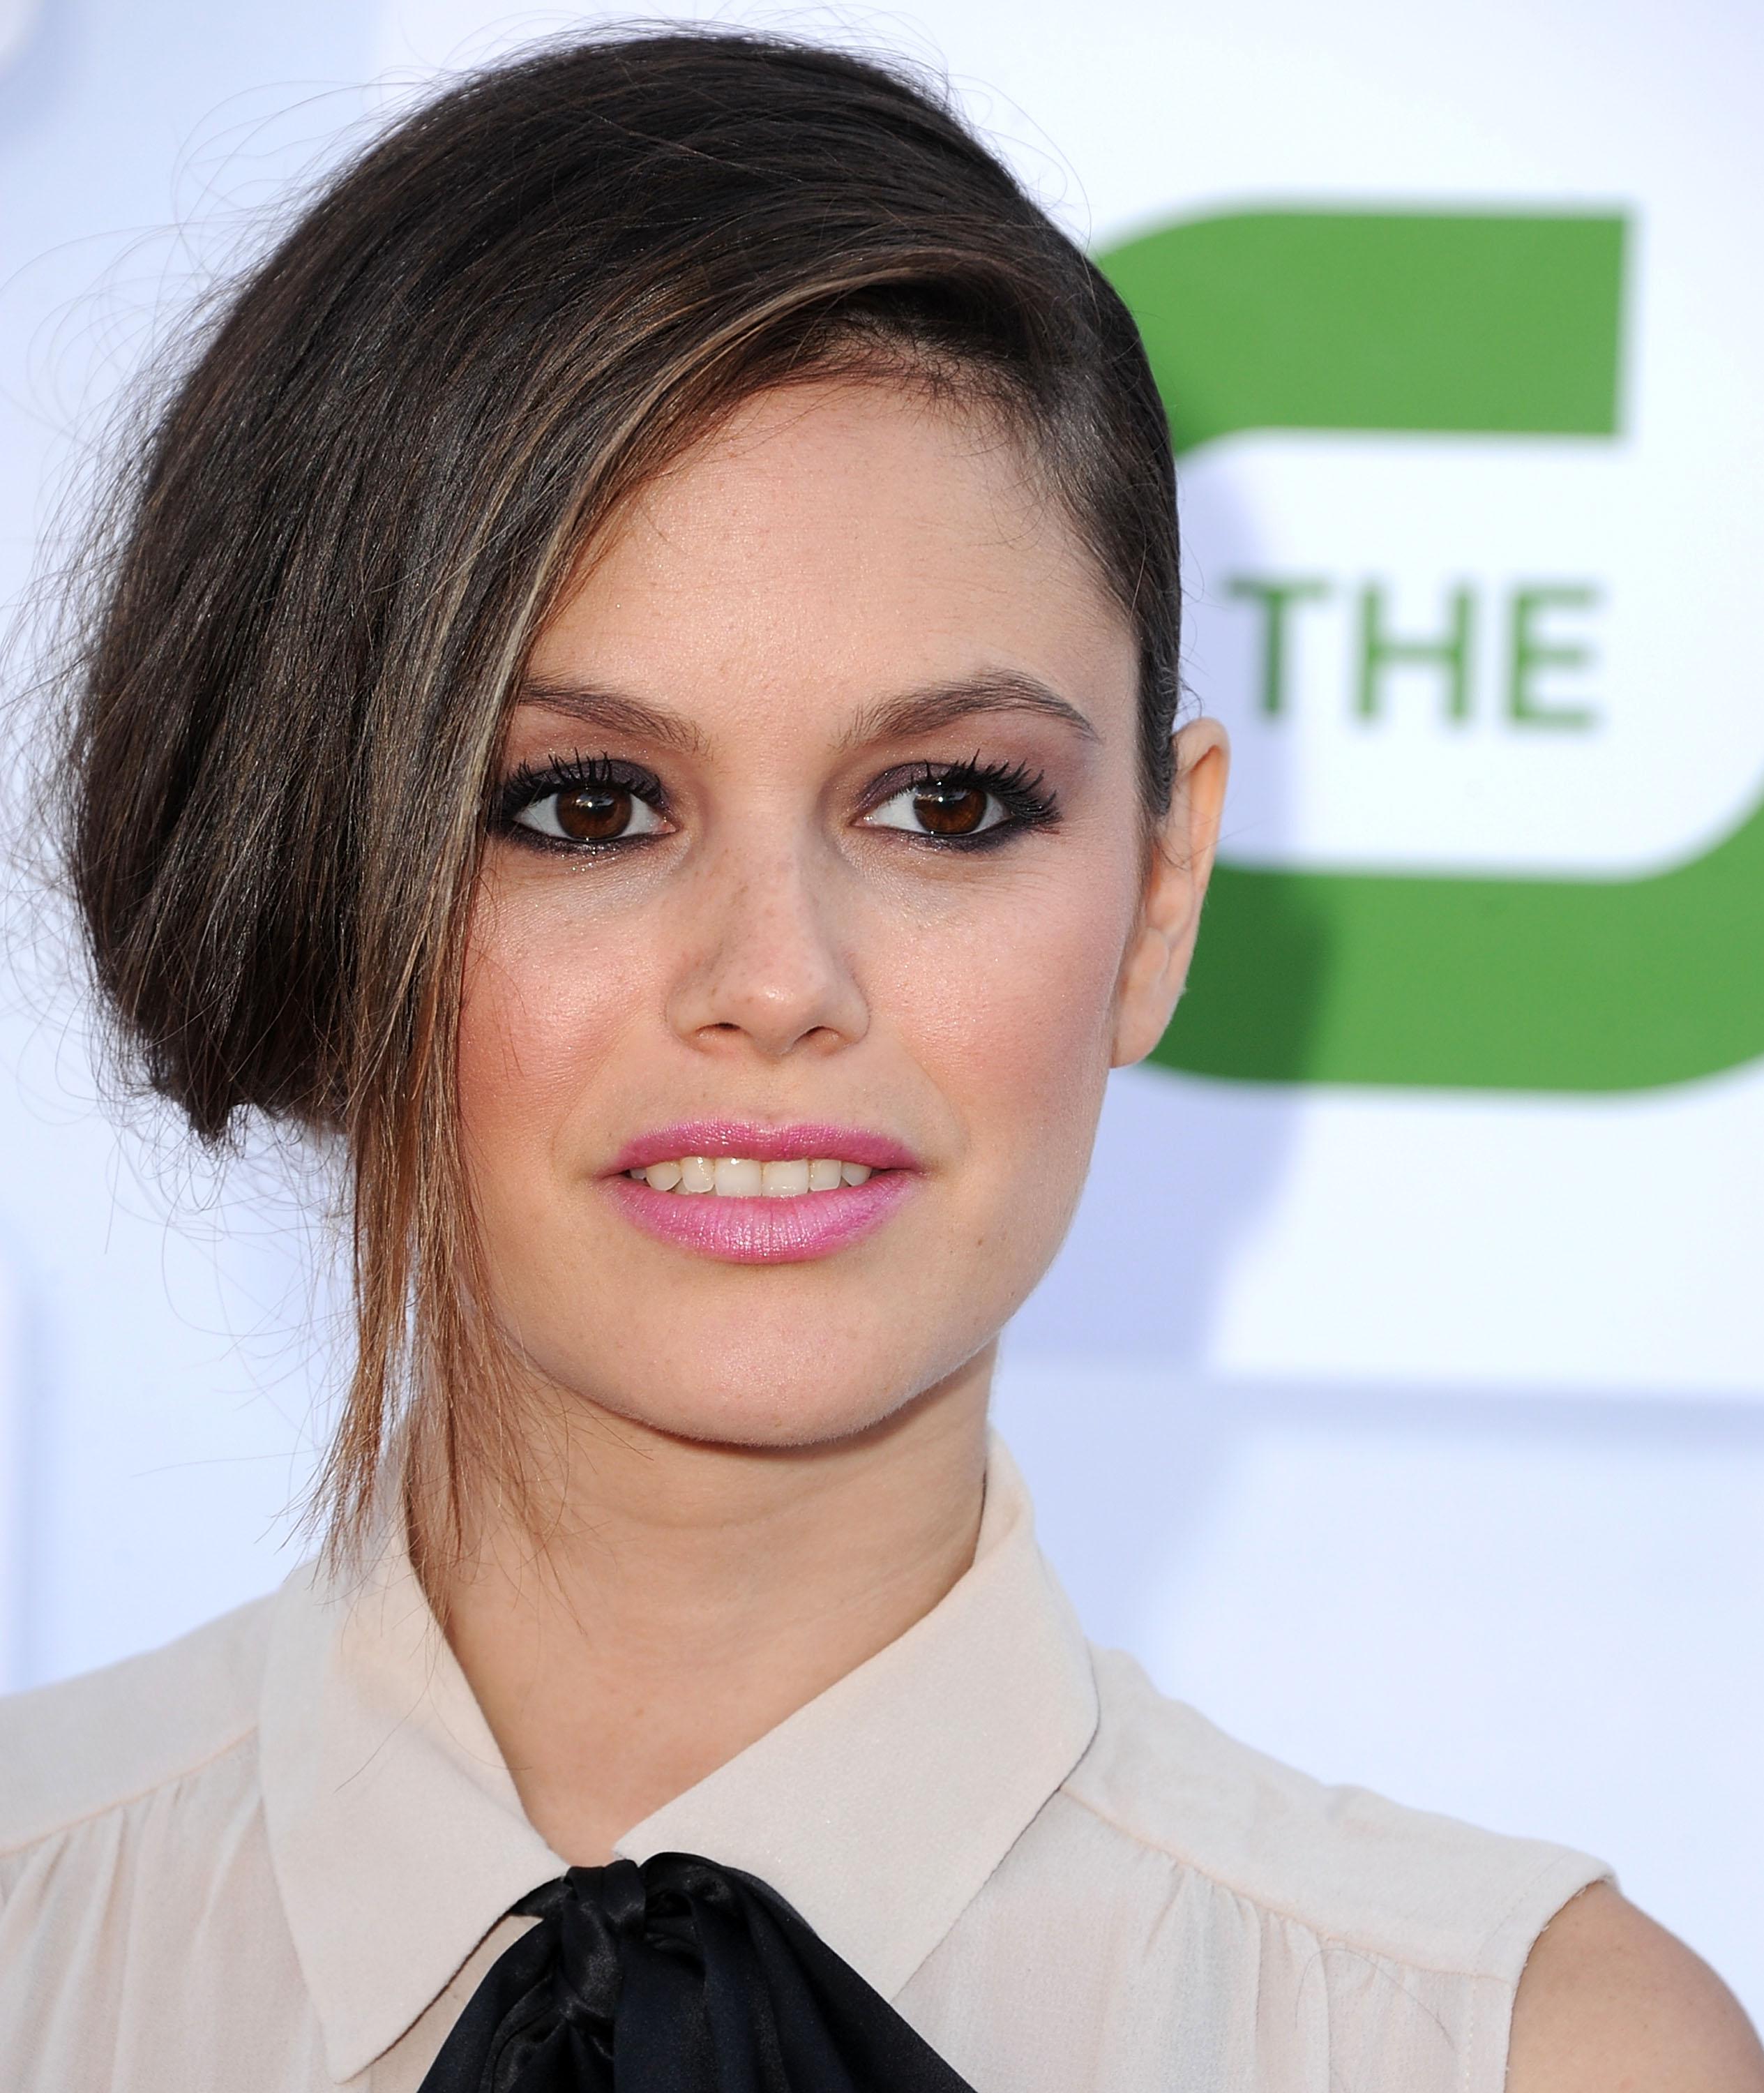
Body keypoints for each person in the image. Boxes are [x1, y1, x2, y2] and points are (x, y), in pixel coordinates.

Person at [1, 30, 1757, 2093]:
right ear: (321, 856)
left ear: (1162, 891)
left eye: (942, 803)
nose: (775, 979)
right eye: (583, 805)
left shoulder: (1521, 2052)